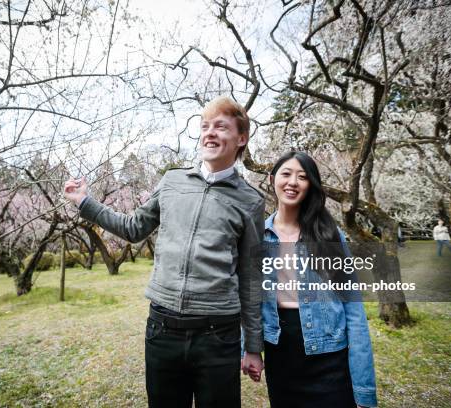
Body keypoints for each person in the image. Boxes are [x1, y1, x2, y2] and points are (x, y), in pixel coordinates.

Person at [63, 96, 265, 408]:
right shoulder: (172, 181)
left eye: (220, 127)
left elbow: (251, 278)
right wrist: (84, 203)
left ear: (241, 138)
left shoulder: (250, 200)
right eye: (205, 126)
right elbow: (133, 229)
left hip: (219, 335)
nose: (209, 133)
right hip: (163, 330)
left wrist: (253, 345)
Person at [245, 151, 377, 408]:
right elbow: (250, 301)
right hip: (281, 354)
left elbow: (353, 308)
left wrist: (364, 390)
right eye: (286, 174)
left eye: (302, 177)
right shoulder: (258, 236)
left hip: (330, 356)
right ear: (272, 179)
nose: (292, 182)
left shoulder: (329, 235)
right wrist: (250, 349)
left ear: (311, 185)